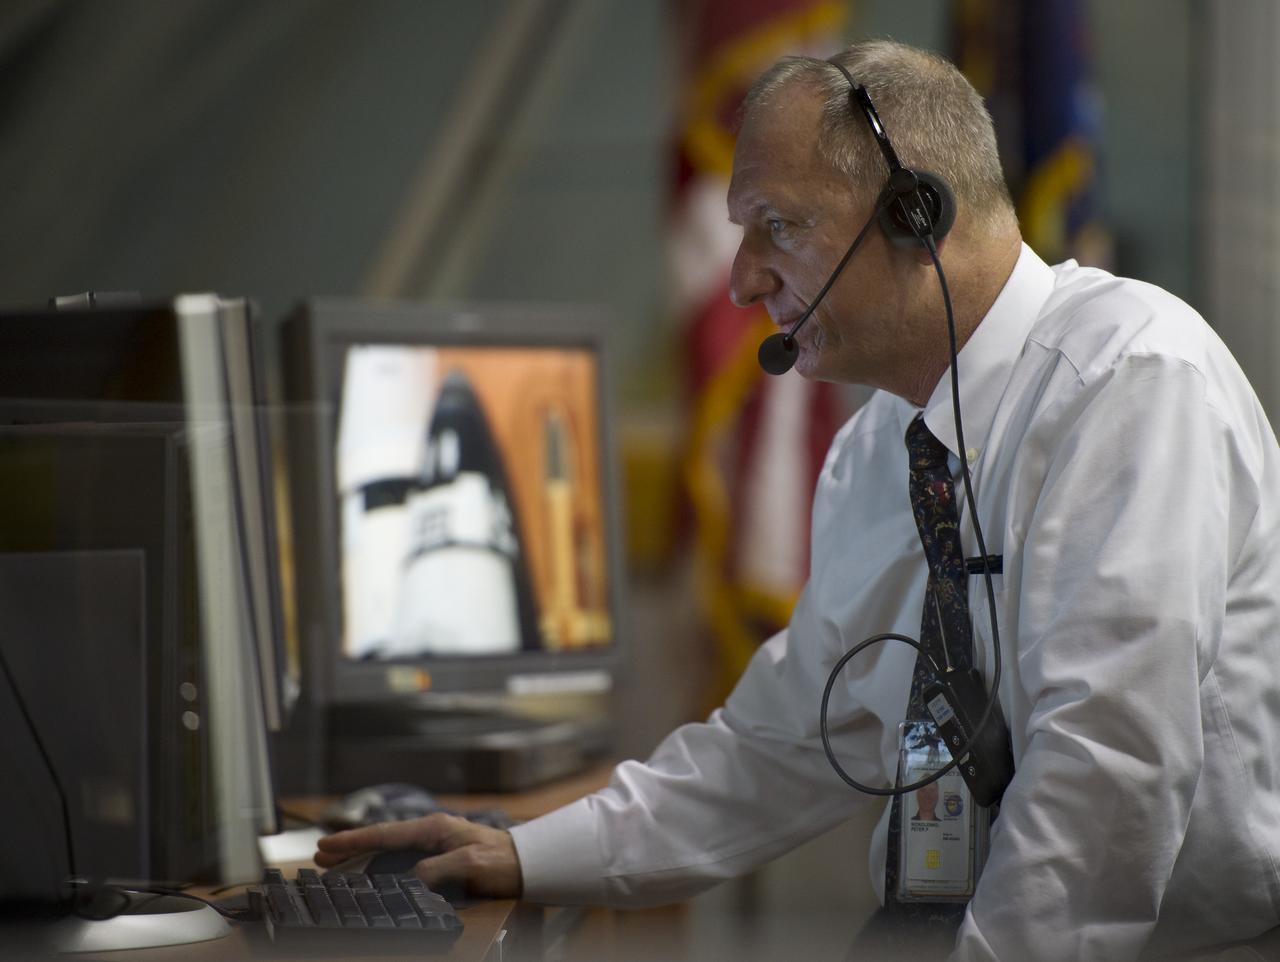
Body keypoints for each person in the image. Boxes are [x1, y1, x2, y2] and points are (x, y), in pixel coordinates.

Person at [315, 40, 1280, 961]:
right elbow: (779, 743)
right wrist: (525, 854)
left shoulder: (1133, 376)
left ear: (915, 214)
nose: (740, 283)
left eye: (778, 226)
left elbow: (1104, 783)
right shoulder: (877, 453)